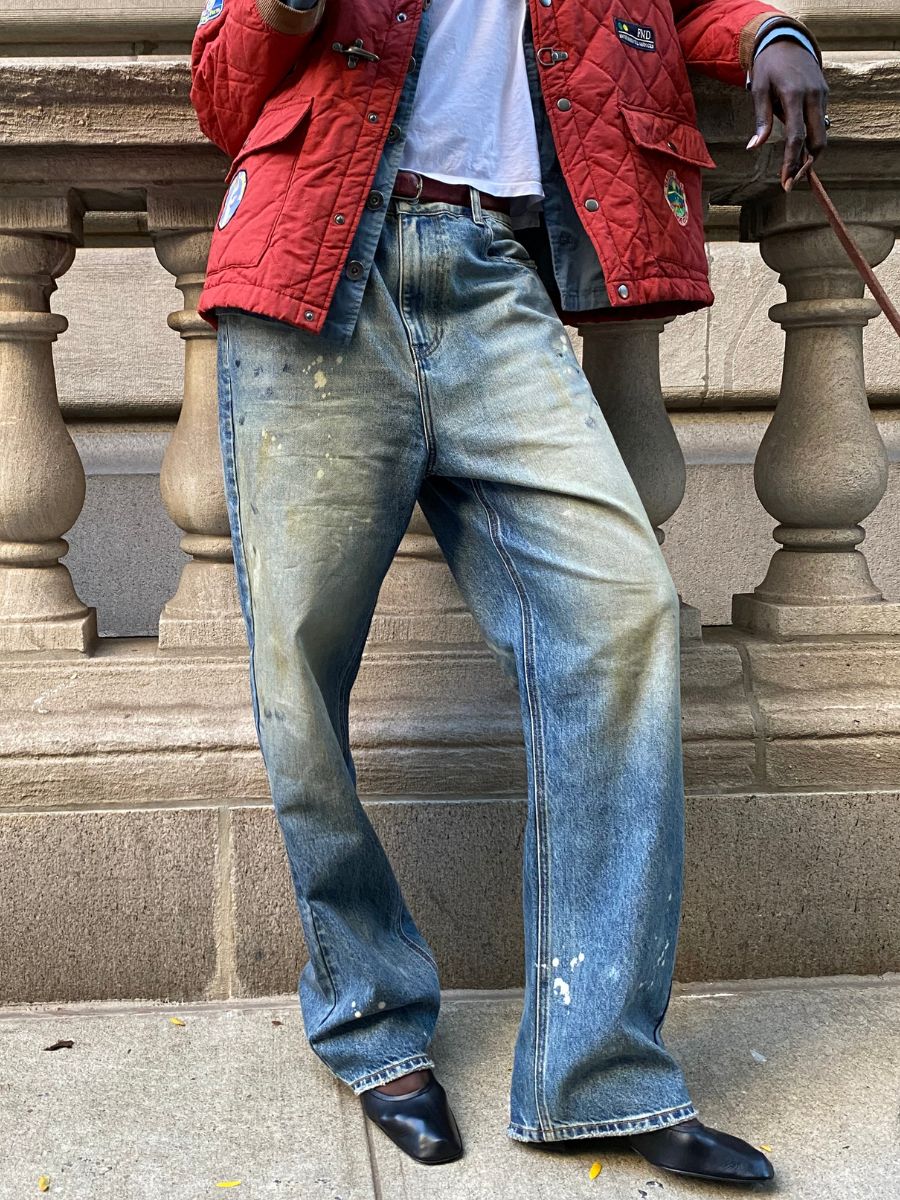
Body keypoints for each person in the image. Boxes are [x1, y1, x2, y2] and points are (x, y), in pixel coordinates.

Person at [189, 0, 828, 1182]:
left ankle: (599, 1072)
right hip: (320, 269)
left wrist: (771, 37)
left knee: (619, 612)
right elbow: (224, 99)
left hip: (497, 277)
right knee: (299, 670)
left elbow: (688, 8)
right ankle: (370, 1019)